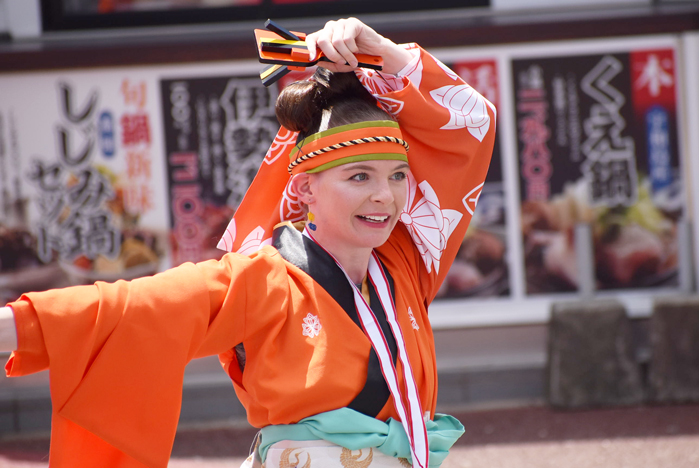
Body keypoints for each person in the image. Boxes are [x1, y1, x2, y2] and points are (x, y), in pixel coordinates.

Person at [0, 17, 495, 468]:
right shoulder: (261, 277)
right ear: (304, 189)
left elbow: (471, 127)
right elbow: (129, 309)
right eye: (359, 176)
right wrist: (14, 325)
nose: (384, 196)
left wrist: (382, 50)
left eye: (398, 177)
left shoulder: (407, 264)